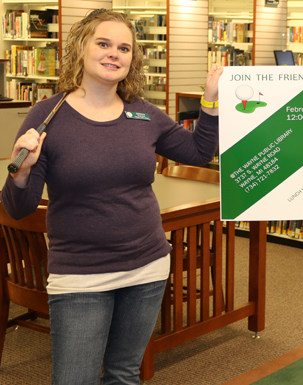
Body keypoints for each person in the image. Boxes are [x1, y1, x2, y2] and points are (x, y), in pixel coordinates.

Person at [1, 9, 223, 384]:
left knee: (123, 374)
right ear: (81, 49)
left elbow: (198, 153)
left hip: (147, 268)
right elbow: (18, 208)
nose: (113, 54)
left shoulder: (144, 113)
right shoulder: (47, 116)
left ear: (132, 59)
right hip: (80, 276)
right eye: (103, 43)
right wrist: (22, 171)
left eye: (124, 47)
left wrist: (211, 103)